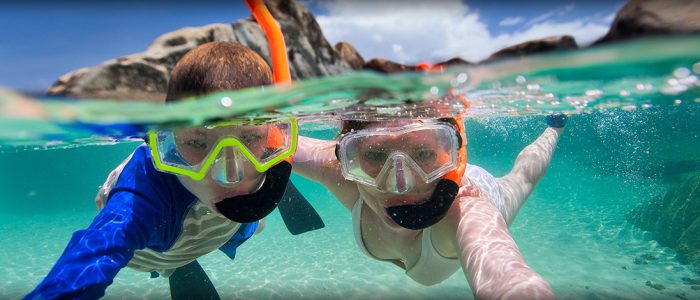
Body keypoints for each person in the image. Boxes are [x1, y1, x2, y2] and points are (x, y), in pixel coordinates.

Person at [25, 41, 300, 300]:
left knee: (252, 224)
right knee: (180, 243)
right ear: (167, 137)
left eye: (250, 138)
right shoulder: (141, 201)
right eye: (197, 142)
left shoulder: (269, 147)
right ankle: (176, 267)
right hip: (155, 251)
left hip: (222, 230)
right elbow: (93, 256)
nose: (229, 175)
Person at [293, 103, 566, 299]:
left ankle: (554, 129)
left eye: (423, 153)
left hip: (477, 188)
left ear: (453, 153)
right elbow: (274, 141)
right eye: (376, 156)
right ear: (349, 159)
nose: (401, 184)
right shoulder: (343, 172)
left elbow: (507, 279)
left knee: (522, 178)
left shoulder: (467, 212)